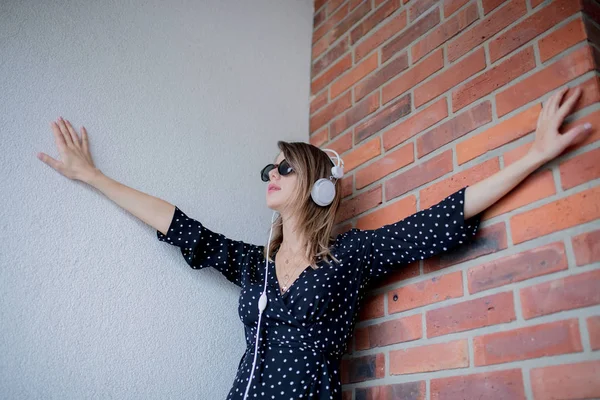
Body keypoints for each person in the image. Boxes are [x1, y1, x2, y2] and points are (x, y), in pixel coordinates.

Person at [36, 87, 592, 399]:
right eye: (268, 168)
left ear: (319, 185)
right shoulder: (255, 267)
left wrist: (535, 155)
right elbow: (177, 224)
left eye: (284, 167)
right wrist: (92, 177)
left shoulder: (348, 256)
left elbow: (436, 220)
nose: (270, 174)